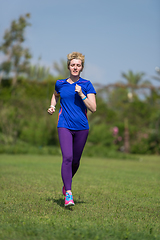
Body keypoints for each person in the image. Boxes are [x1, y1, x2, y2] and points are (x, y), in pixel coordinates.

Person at [48, 52, 96, 207]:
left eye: (78, 65)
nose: (75, 67)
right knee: (67, 158)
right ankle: (68, 193)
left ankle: (66, 182)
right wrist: (52, 106)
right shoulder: (60, 83)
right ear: (68, 66)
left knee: (76, 161)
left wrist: (82, 94)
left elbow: (93, 108)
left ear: (82, 68)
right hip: (64, 125)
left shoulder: (87, 84)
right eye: (73, 65)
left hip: (82, 127)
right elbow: (55, 95)